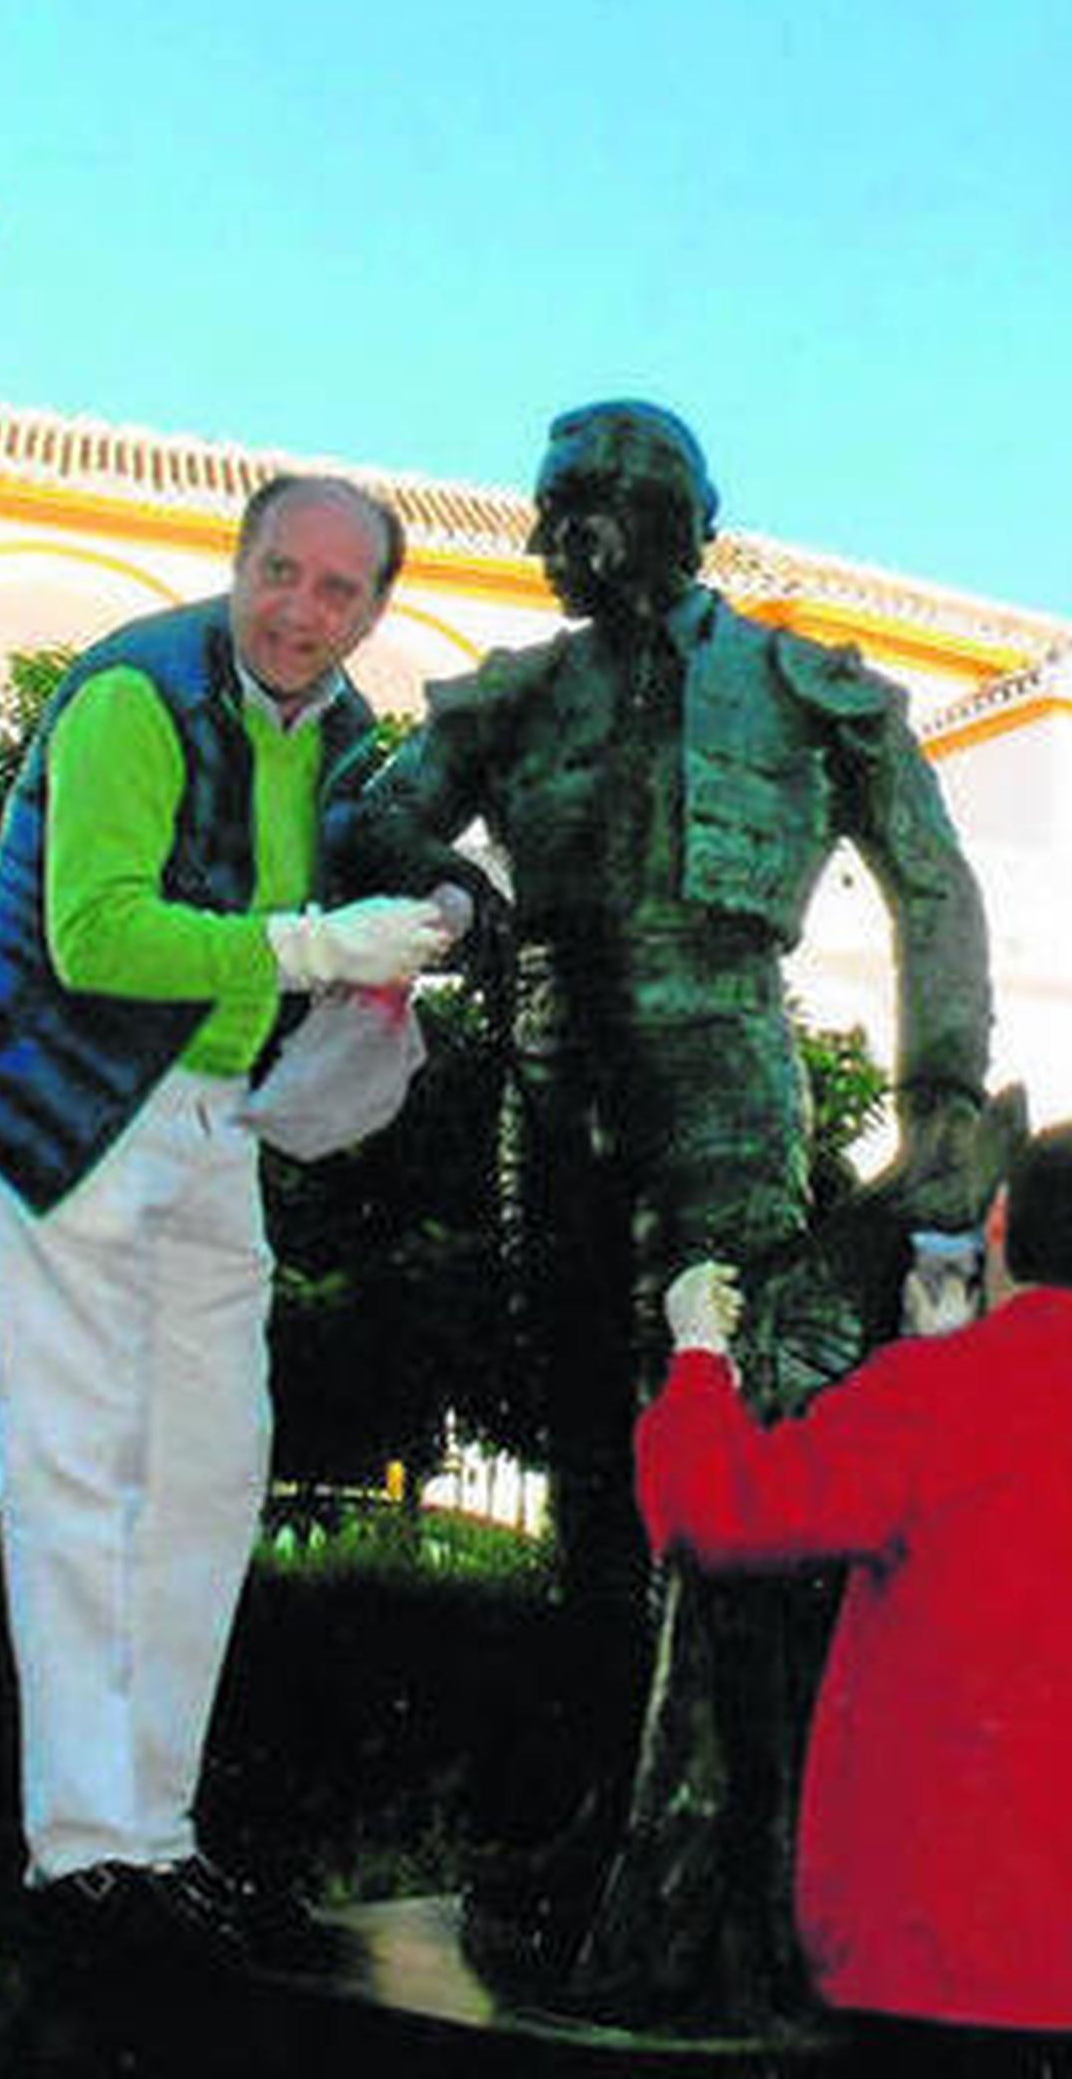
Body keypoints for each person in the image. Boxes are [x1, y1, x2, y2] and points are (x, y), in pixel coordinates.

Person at [340, 398, 994, 2008]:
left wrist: (946, 1102)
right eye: (551, 510)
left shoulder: (801, 683)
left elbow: (934, 883)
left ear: (688, 522)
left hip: (719, 1048)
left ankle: (727, 1847)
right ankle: (607, 1817)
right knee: (584, 1459)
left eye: (596, 510)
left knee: (728, 1436)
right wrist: (458, 882)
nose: (561, 540)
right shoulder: (518, 691)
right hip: (554, 1057)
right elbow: (379, 808)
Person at [0, 473, 452, 1973]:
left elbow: (332, 898)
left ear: (374, 613)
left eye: (338, 592)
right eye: (279, 572)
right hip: (62, 1100)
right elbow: (95, 937)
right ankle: (83, 1853)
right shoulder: (134, 696)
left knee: (213, 1474)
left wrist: (399, 937)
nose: (300, 610)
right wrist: (305, 945)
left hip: (210, 1117)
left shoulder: (340, 736)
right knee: (81, 1470)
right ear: (239, 561)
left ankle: (156, 1836)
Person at [637, 1120, 1072, 2073]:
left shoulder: (931, 1396)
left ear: (999, 1220)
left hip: (941, 1970)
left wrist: (696, 1352)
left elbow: (717, 1513)